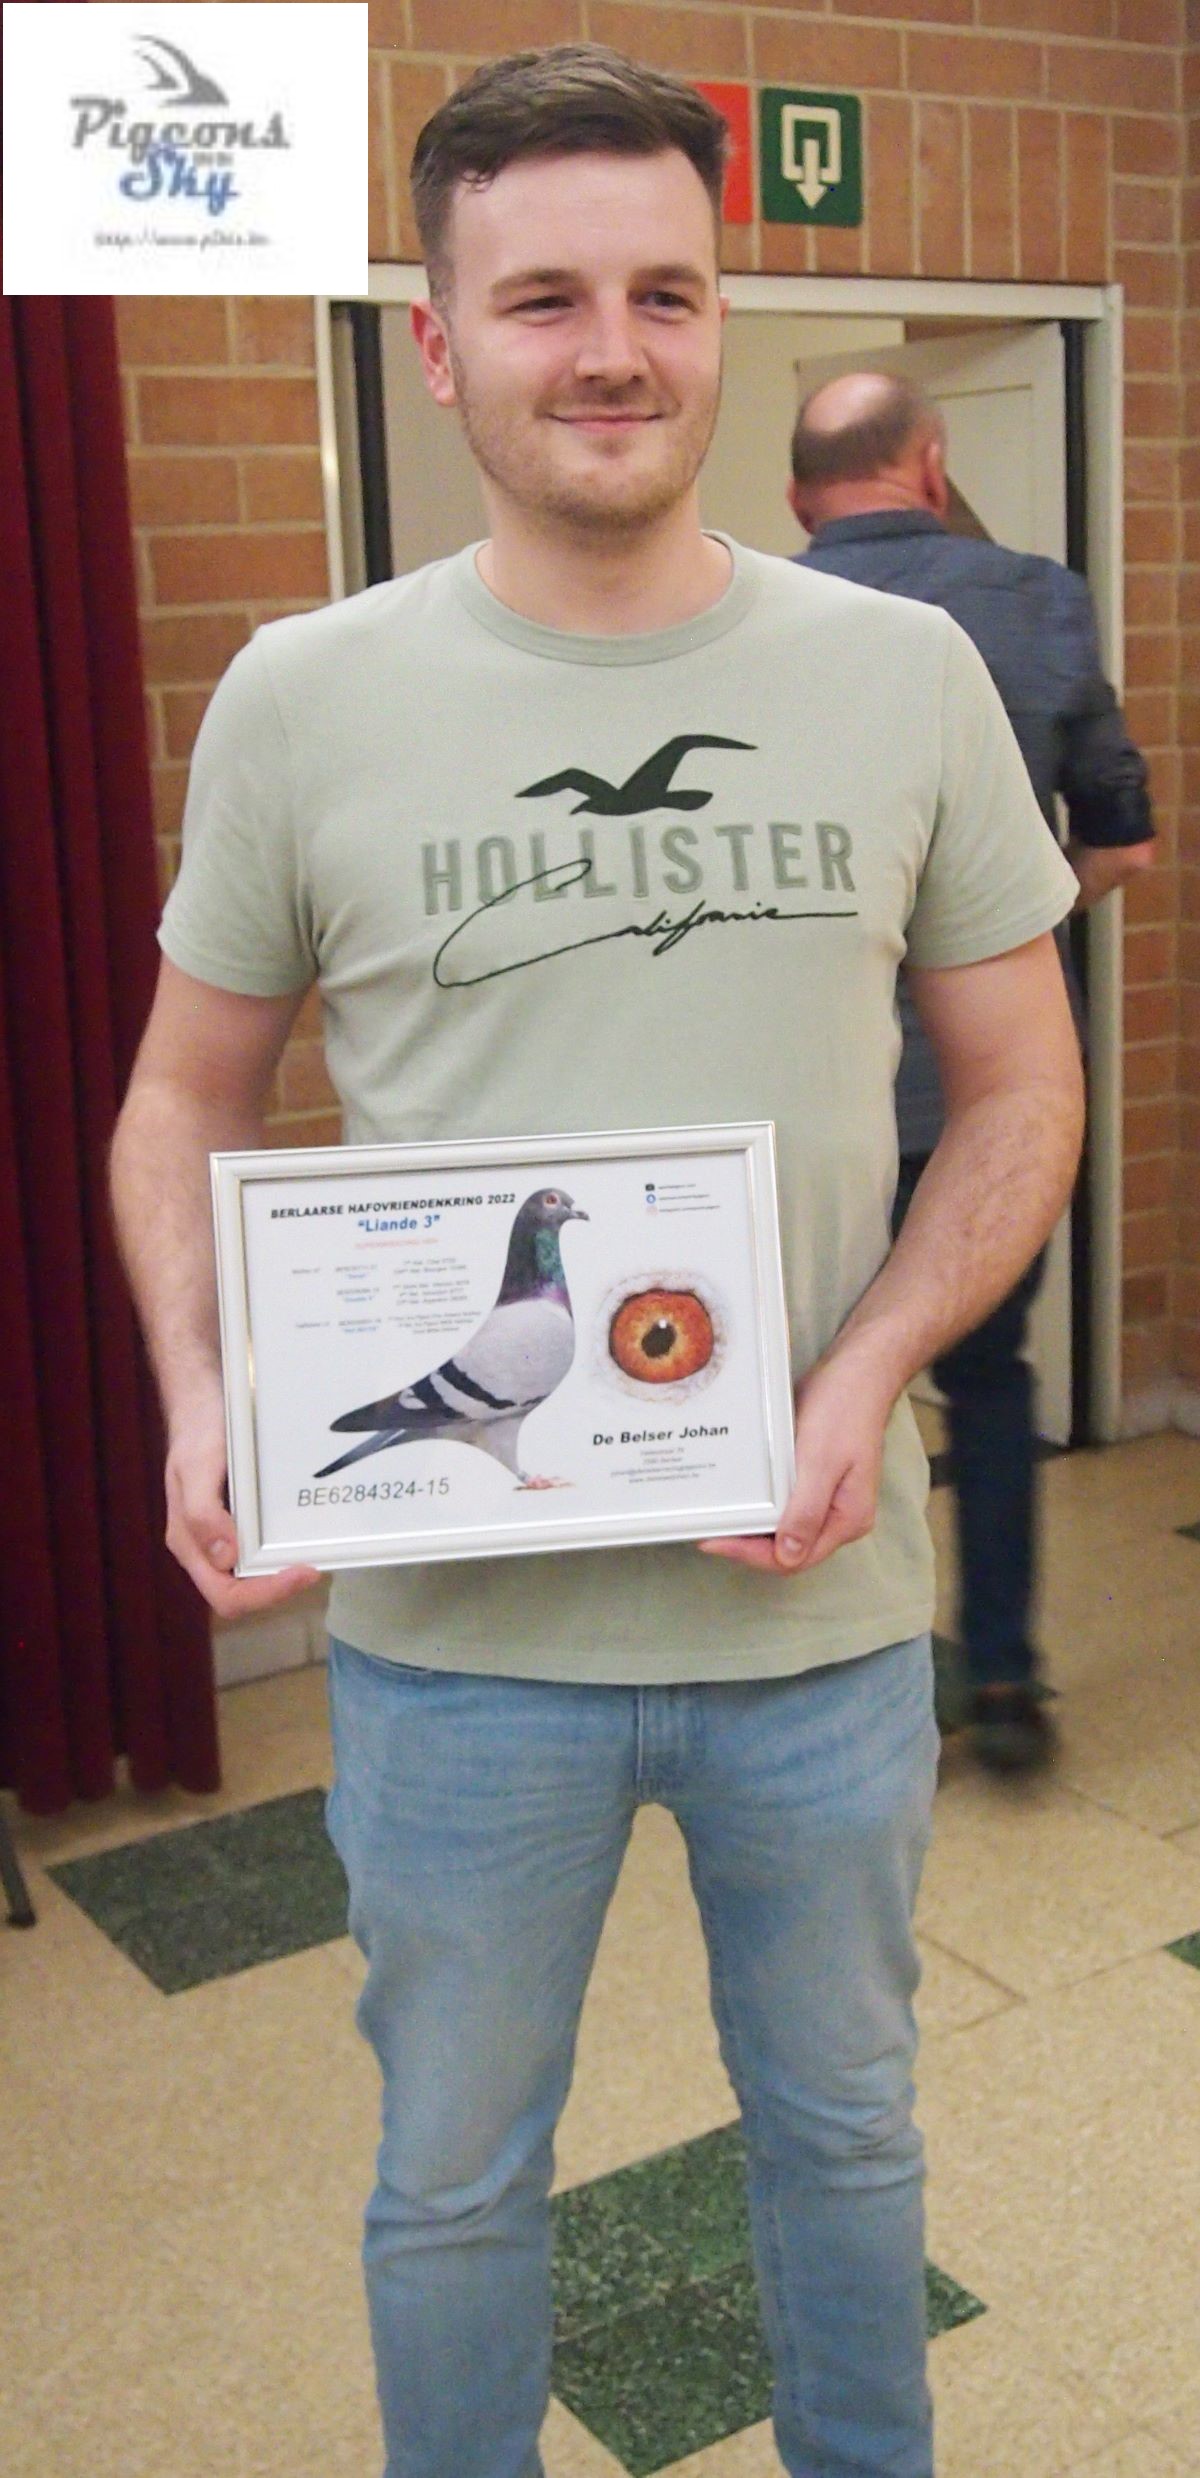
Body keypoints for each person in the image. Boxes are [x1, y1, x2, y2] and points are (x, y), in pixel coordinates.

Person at [110, 47, 1085, 2478]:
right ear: (438, 344)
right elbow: (179, 1099)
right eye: (544, 299)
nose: (614, 349)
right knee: (454, 2182)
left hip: (816, 1616)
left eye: (666, 292)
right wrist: (209, 1392)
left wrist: (867, 1364)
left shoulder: (899, 677)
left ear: (722, 320)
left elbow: (1024, 1089)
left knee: (846, 2138)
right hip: (455, 1653)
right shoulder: (304, 696)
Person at [790, 370, 1154, 1776]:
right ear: (932, 465)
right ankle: (1003, 1674)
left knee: (800, 1379)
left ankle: (821, 1689)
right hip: (989, 1097)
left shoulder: (752, 611)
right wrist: (1004, 934)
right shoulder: (1039, 600)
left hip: (810, 1096)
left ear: (799, 495)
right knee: (989, 1381)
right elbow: (1122, 842)